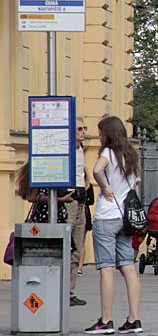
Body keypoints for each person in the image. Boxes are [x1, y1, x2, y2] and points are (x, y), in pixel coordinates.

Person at [86, 116, 142, 335]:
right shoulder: (131, 155)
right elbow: (136, 182)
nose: (99, 137)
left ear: (108, 134)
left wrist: (105, 186)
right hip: (125, 218)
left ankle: (106, 320)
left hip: (107, 216)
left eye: (101, 133)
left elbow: (96, 170)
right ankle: (133, 319)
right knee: (128, 266)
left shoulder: (108, 153)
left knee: (107, 268)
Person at [64, 118, 89, 306]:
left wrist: (86, 186)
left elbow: (85, 172)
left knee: (77, 248)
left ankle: (71, 292)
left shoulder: (82, 150)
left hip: (81, 200)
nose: (83, 132)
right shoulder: (66, 150)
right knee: (67, 243)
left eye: (84, 128)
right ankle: (62, 290)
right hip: (69, 200)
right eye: (79, 129)